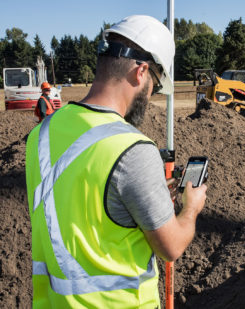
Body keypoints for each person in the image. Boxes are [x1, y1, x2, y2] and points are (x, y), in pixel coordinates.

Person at [26, 15, 207, 308]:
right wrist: (191, 207)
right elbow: (171, 246)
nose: (151, 95)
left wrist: (139, 195)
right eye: (155, 85)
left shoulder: (41, 135)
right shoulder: (133, 148)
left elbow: (78, 207)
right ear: (141, 72)